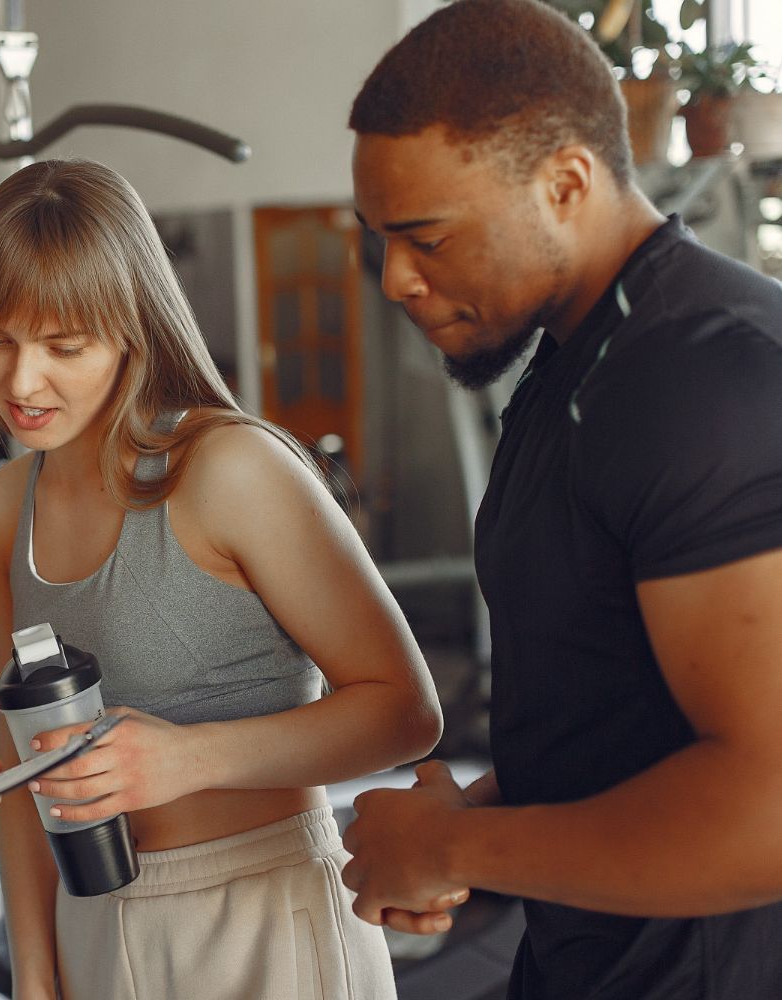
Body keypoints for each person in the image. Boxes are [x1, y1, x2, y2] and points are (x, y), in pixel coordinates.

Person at [342, 2, 782, 998]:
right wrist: (466, 826)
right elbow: (619, 718)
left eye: (426, 238)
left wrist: (455, 849)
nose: (397, 279)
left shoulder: (705, 379)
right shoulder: (577, 366)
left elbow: (769, 803)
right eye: (380, 240)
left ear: (567, 183)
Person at [0, 158, 444, 1000]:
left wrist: (190, 758)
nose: (21, 381)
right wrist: (34, 973)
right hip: (93, 930)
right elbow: (21, 763)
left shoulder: (229, 469)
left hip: (262, 913)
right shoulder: (5, 507)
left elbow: (407, 712)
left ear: (131, 331)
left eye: (64, 346)